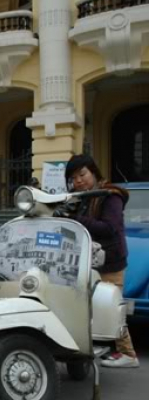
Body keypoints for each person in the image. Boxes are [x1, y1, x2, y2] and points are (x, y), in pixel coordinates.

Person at [61, 154, 139, 368]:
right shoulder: (84, 198)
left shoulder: (110, 196)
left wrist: (76, 220)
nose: (79, 181)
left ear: (94, 172)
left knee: (111, 307)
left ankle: (128, 354)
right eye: (74, 178)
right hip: (91, 260)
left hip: (111, 261)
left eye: (82, 174)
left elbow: (109, 228)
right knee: (87, 307)